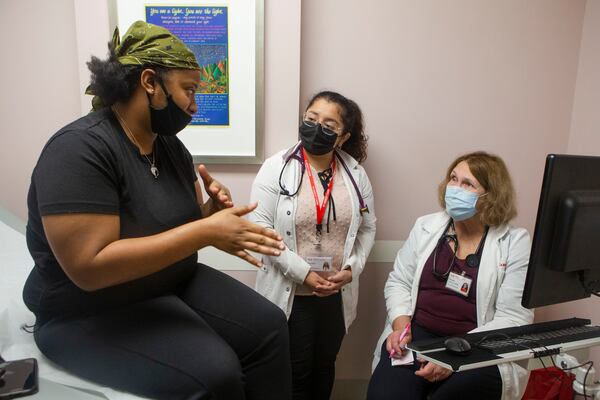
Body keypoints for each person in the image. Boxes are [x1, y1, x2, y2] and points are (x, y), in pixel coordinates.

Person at [22, 21, 292, 400]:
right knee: (215, 374)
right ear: (150, 82)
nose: (195, 106)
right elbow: (89, 268)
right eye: (189, 90)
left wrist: (207, 215)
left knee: (270, 326)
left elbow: (163, 227)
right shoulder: (78, 151)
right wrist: (205, 232)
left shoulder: (170, 149)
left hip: (166, 281)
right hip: (84, 310)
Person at [367, 151, 534, 400]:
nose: (455, 188)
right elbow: (399, 281)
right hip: (415, 337)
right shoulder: (426, 226)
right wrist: (401, 327)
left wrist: (454, 356)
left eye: (467, 184)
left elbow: (514, 316)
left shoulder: (514, 242)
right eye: (453, 179)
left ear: (491, 196)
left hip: (478, 346)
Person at [249, 91, 377, 400]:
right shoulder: (276, 167)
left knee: (324, 365)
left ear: (343, 136)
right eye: (311, 119)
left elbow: (368, 226)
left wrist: (351, 268)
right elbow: (260, 227)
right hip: (293, 290)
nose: (316, 127)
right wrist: (303, 273)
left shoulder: (355, 175)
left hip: (335, 291)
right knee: (296, 371)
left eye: (328, 124)